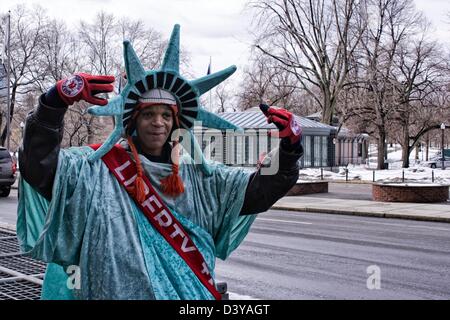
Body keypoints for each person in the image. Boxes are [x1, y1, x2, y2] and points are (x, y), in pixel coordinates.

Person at [17, 25, 303, 300]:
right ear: (132, 121)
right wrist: (53, 104)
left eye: (166, 115)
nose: (158, 122)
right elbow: (40, 167)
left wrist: (289, 150)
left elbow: (255, 193)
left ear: (177, 122)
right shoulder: (95, 169)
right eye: (148, 114)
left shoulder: (200, 177)